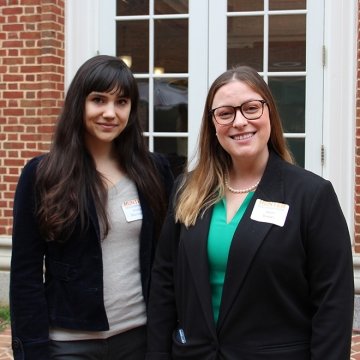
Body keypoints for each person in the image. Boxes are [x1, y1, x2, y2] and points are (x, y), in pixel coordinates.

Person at [146, 65, 354, 359]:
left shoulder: (311, 195)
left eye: (251, 108)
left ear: (269, 113)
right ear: (213, 124)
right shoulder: (187, 189)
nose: (240, 122)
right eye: (225, 113)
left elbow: (333, 303)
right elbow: (164, 285)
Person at [10, 55, 173, 360]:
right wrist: (32, 350)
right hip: (70, 344)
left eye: (121, 102)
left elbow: (165, 262)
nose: (110, 113)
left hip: (139, 338)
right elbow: (25, 274)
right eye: (99, 100)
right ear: (79, 104)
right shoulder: (42, 174)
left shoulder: (154, 170)